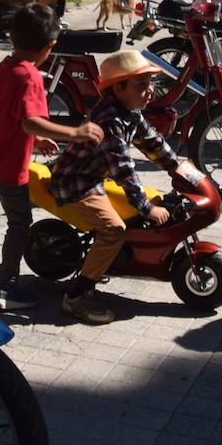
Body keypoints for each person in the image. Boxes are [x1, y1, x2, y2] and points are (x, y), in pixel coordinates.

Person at [0, 5, 105, 310]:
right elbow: (29, 121)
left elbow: (6, 111)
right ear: (50, 46)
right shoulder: (30, 78)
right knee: (20, 223)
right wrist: (75, 133)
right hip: (2, 160)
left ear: (12, 36)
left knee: (13, 204)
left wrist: (35, 138)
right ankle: (5, 287)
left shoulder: (3, 67)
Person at [50, 50, 204, 324]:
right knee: (114, 230)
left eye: (150, 84)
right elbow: (124, 170)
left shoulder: (128, 112)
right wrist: (146, 209)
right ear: (117, 88)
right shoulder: (110, 120)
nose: (149, 91)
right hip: (76, 184)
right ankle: (77, 296)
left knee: (132, 215)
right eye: (141, 85)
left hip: (94, 177)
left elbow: (152, 142)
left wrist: (177, 167)